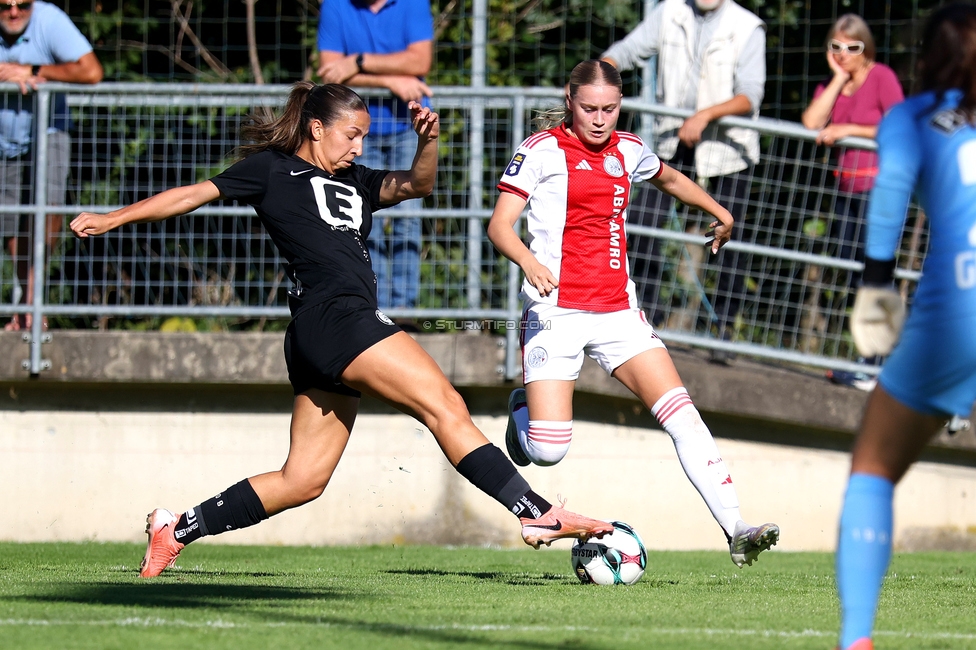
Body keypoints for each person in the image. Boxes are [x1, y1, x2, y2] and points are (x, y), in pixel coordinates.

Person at [69, 82, 614, 578]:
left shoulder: (356, 179)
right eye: (351, 135)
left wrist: (428, 142)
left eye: (365, 137)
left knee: (301, 481)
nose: (358, 147)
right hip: (338, 318)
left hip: (319, 331)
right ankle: (537, 512)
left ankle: (177, 528)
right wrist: (113, 218)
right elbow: (192, 194)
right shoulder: (270, 169)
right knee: (444, 406)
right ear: (316, 128)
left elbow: (418, 185)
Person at [487, 60, 779, 568]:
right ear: (569, 99)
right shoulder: (540, 151)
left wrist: (719, 212)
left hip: (619, 312)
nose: (600, 119)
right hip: (556, 310)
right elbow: (500, 227)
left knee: (682, 415)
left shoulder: (629, 149)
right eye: (588, 108)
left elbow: (668, 178)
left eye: (610, 108)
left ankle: (736, 528)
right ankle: (523, 412)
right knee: (550, 450)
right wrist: (529, 262)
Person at [833, 5, 976, 649]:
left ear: (927, 58)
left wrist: (875, 286)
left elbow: (888, 195)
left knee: (873, 468)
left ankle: (857, 640)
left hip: (958, 312)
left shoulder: (912, 118)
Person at [601, 0, 765, 364]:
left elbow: (750, 95)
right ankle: (648, 320)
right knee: (640, 224)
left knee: (728, 239)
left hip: (727, 154)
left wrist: (705, 115)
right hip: (673, 145)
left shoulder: (748, 27)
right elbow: (624, 53)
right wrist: (596, 77)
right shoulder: (668, 12)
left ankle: (724, 332)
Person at [800, 14, 904, 391]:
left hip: (880, 190)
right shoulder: (835, 83)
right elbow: (811, 121)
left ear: (867, 48)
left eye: (853, 48)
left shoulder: (882, 78)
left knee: (874, 276)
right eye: (836, 47)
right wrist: (840, 80)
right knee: (851, 270)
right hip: (847, 191)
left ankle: (877, 363)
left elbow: (899, 124)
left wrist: (849, 130)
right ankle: (868, 360)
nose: (843, 54)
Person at [316, 0, 433, 322]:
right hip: (351, 132)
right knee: (362, 220)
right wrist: (391, 80)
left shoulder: (413, 4)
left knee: (408, 217)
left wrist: (358, 61)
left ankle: (404, 310)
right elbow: (329, 73)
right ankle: (372, 306)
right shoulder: (336, 6)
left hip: (405, 127)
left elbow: (420, 60)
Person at [0, 0, 103, 331]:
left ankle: (32, 302)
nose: (14, 12)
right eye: (5, 6)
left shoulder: (49, 20)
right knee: (12, 221)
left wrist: (32, 71)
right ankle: (25, 302)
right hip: (5, 139)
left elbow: (91, 72)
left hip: (48, 133)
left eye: (23, 5)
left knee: (47, 211)